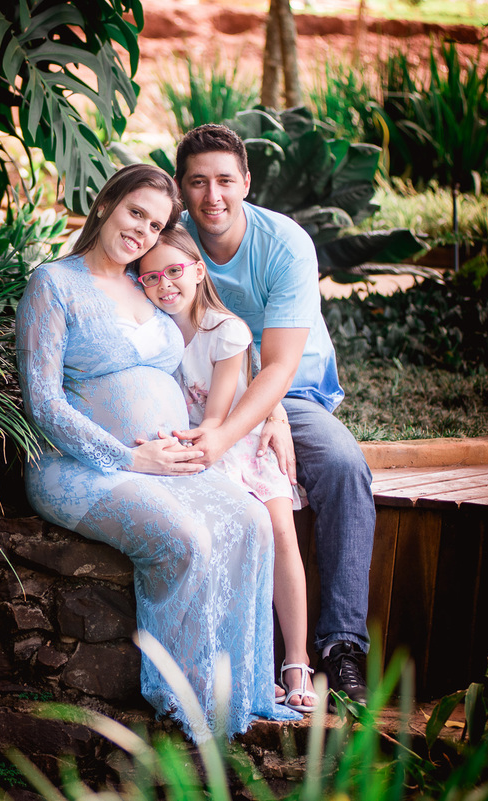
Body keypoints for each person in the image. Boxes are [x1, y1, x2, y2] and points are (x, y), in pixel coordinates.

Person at [15, 163, 300, 740]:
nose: (143, 231)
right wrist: (128, 458)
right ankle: (185, 700)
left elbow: (222, 343)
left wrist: (274, 409)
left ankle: (240, 686)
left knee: (250, 521)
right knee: (185, 539)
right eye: (136, 213)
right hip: (79, 469)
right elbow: (41, 403)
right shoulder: (54, 284)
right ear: (105, 206)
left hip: (165, 463)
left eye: (157, 224)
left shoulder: (146, 283)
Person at [173, 124, 374, 706]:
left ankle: (340, 645)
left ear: (247, 182)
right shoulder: (175, 242)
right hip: (204, 390)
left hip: (289, 391)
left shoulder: (284, 244)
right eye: (198, 182)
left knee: (342, 466)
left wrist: (245, 426)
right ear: (183, 188)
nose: (214, 196)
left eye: (225, 181)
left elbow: (281, 366)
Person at [137, 228, 316, 713]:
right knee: (221, 539)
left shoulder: (227, 330)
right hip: (194, 445)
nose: (164, 284)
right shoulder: (154, 328)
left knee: (280, 532)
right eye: (150, 277)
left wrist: (187, 441)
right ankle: (243, 663)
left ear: (198, 271)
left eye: (174, 271)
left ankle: (296, 660)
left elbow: (216, 418)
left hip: (238, 441)